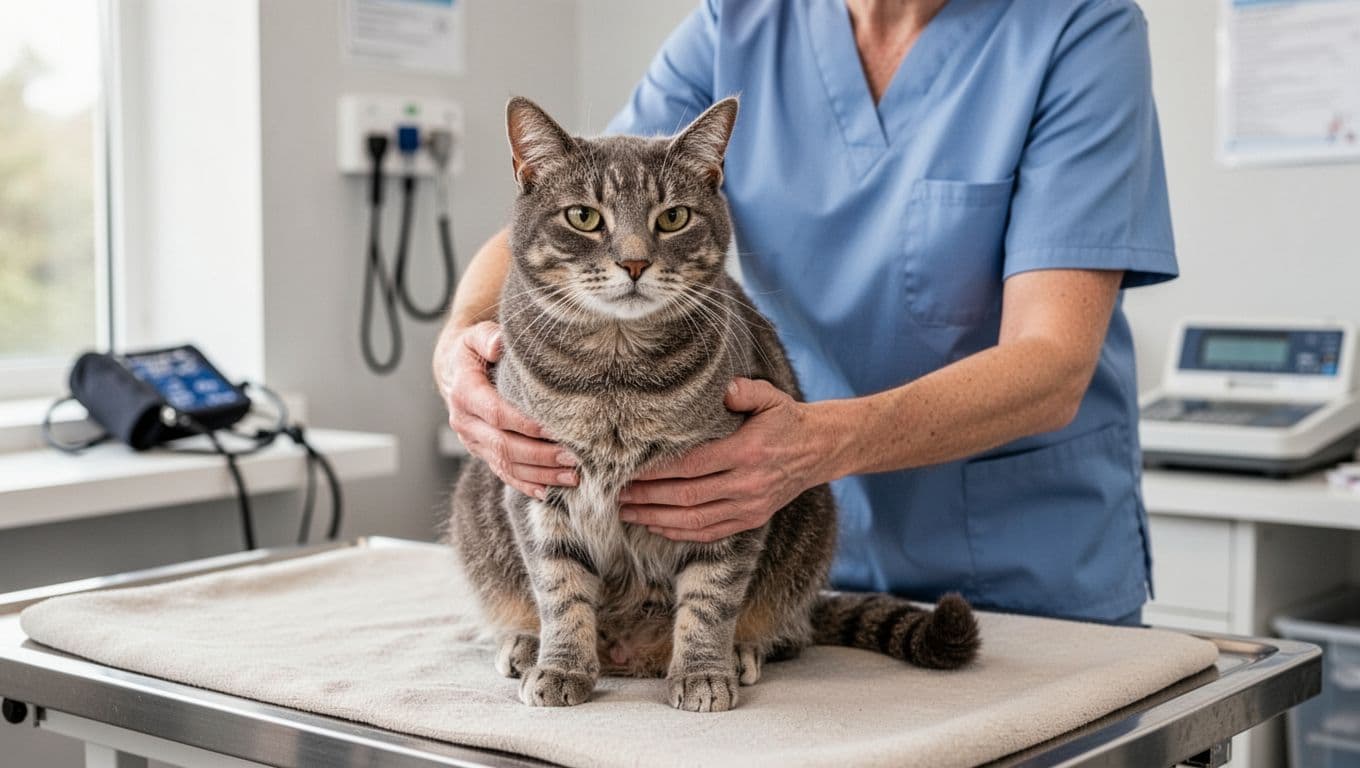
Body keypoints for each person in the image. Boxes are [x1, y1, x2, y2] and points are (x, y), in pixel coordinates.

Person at [434, 0, 1177, 625]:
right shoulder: (743, 22)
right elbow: (580, 189)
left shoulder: (1077, 28)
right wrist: (460, 343)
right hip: (780, 551)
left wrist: (814, 448)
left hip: (1024, 572)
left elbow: (1053, 365)